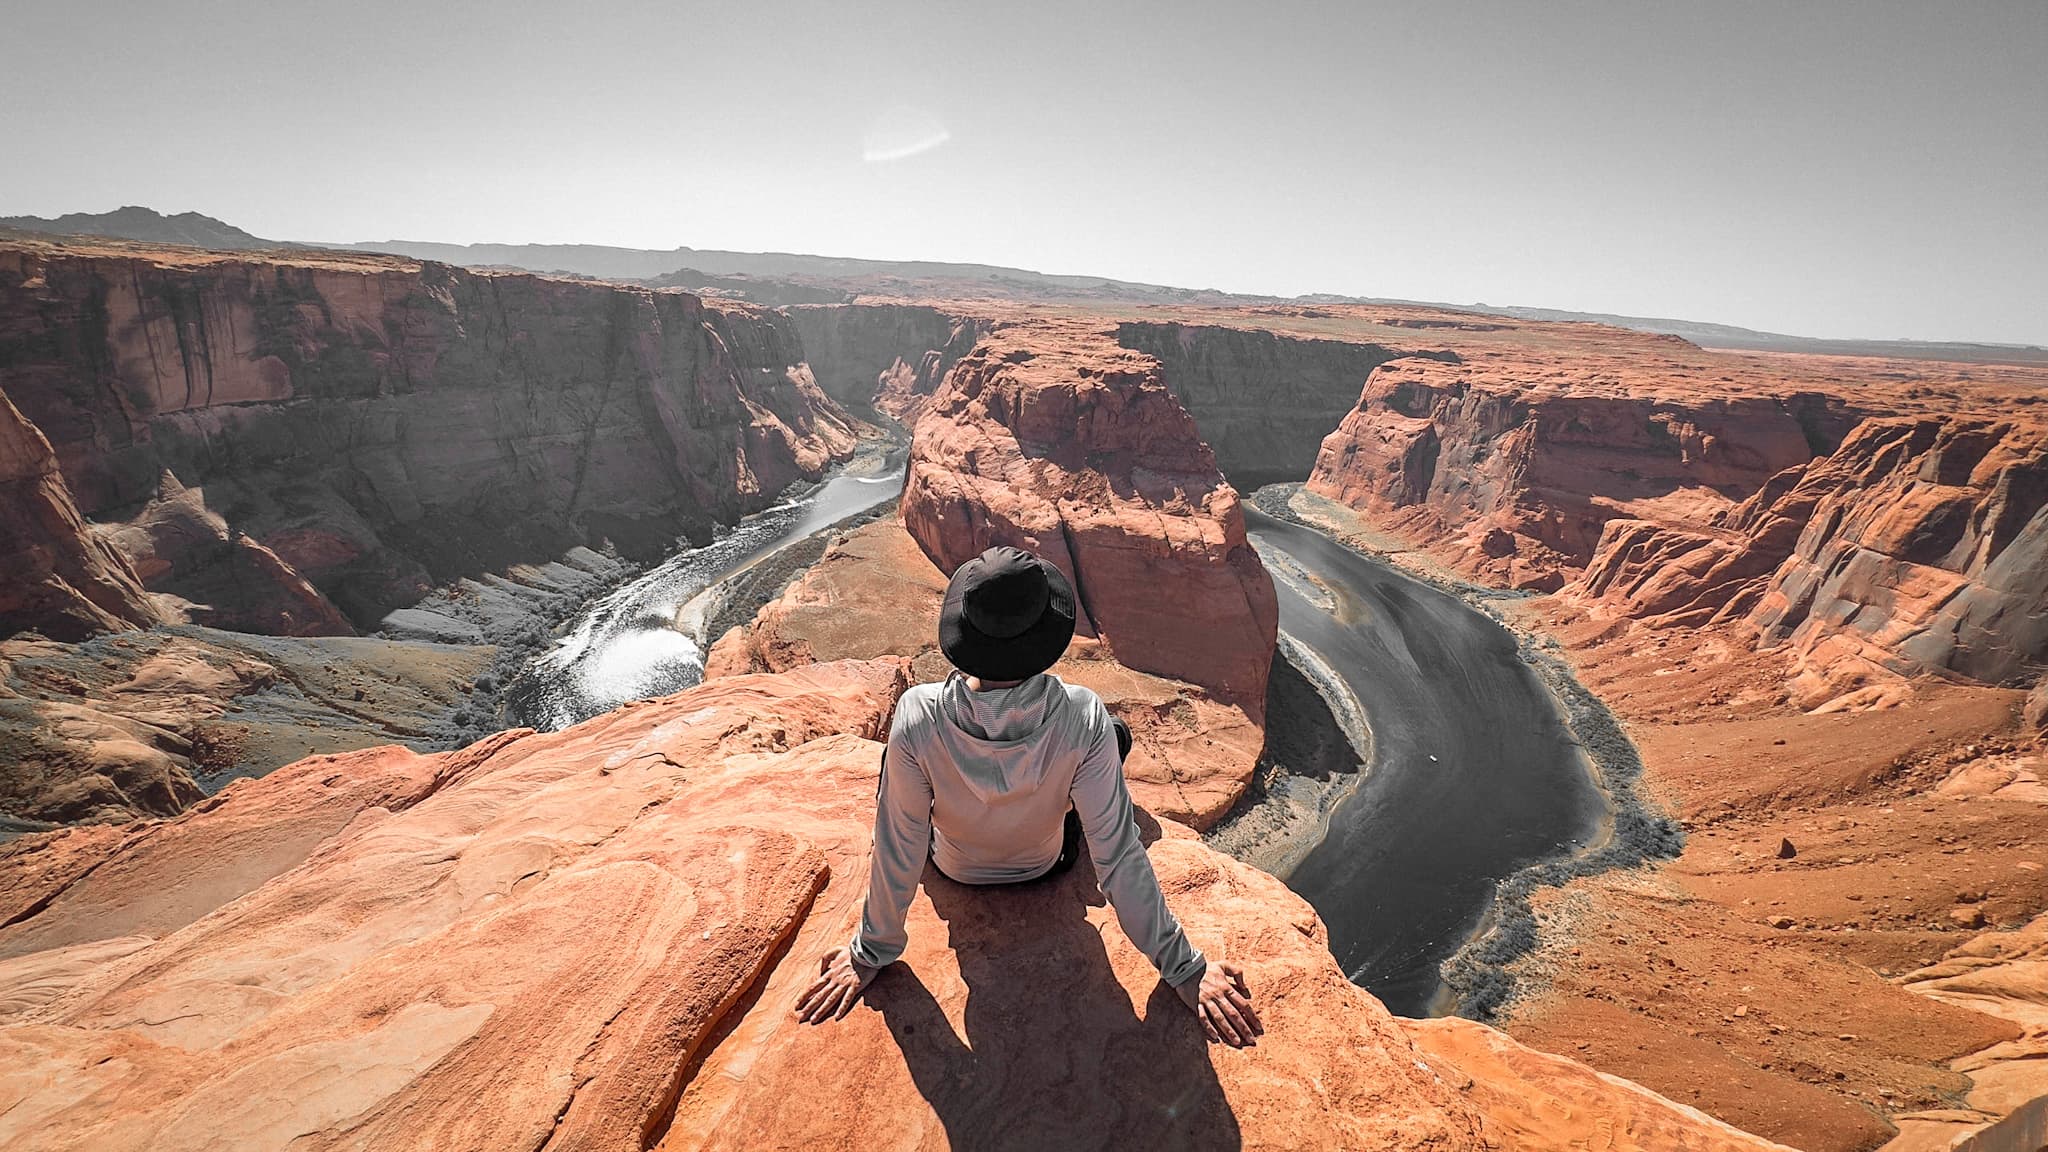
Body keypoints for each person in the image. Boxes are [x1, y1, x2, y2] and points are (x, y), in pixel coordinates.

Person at [794, 545, 1263, 1047]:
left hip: (954, 867)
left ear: (964, 631)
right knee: (1115, 735)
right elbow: (1118, 857)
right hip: (1045, 864)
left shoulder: (917, 714)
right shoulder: (1082, 714)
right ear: (1046, 635)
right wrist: (1183, 968)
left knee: (901, 760)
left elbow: (898, 846)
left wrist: (870, 950)